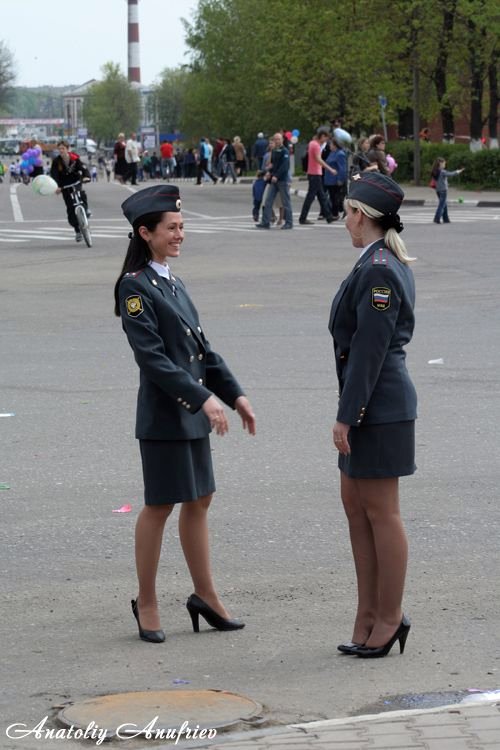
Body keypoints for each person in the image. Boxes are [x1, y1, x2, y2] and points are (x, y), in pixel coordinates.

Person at [114, 184, 256, 643]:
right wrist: (203, 398)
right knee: (160, 505)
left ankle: (205, 595)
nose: (180, 235)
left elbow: (202, 350)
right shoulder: (135, 287)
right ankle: (147, 601)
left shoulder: (172, 282)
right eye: (171, 228)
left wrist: (234, 394)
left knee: (200, 501)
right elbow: (153, 360)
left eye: (181, 227)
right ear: (145, 232)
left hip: (193, 412)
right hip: (164, 417)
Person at [328, 171, 417, 658]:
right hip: (366, 403)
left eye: (347, 214)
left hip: (379, 408)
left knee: (382, 513)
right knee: (356, 509)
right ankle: (366, 614)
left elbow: (369, 350)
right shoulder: (374, 261)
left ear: (361, 215)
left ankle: (389, 616)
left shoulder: (379, 269)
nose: (345, 221)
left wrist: (348, 414)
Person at [50, 140, 91, 243]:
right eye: (59, 149)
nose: (61, 150)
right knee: (70, 207)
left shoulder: (74, 157)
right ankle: (77, 231)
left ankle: (86, 210)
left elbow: (83, 168)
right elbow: (54, 175)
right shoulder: (56, 161)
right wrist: (57, 186)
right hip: (64, 186)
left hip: (76, 182)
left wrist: (86, 177)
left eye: (63, 148)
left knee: (81, 195)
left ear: (67, 149)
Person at [298, 127, 337, 225]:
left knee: (322, 196)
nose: (326, 141)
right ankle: (303, 218)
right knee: (310, 197)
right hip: (315, 173)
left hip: (313, 173)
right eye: (326, 138)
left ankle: (328, 217)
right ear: (322, 136)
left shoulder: (312, 143)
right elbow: (319, 159)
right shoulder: (316, 145)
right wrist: (330, 169)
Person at [255, 132, 293, 230]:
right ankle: (265, 222)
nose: (277, 141)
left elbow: (284, 166)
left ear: (282, 140)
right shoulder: (275, 150)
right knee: (268, 201)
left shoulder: (285, 151)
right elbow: (273, 164)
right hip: (273, 179)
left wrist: (276, 175)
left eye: (278, 139)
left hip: (282, 180)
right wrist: (269, 172)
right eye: (275, 139)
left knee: (285, 202)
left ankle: (289, 222)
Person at [431, 158, 464, 224]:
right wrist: (458, 171)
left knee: (444, 204)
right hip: (443, 190)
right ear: (440, 164)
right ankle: (437, 218)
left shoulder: (435, 171)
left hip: (438, 190)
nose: (445, 165)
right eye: (444, 163)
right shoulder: (442, 172)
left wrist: (445, 183)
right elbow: (450, 174)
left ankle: (446, 219)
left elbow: (439, 181)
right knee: (441, 205)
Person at [324, 139, 347, 220]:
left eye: (331, 144)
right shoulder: (331, 153)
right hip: (329, 179)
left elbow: (342, 168)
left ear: (335, 145)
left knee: (335, 197)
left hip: (335, 179)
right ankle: (335, 212)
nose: (329, 146)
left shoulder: (340, 154)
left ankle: (335, 214)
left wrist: (340, 179)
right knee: (332, 197)